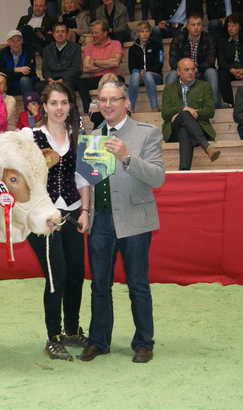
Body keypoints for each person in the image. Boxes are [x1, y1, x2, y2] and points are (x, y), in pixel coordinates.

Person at [77, 81, 165, 364]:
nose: (108, 105)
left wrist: (127, 156)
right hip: (101, 220)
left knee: (138, 284)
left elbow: (157, 177)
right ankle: (99, 340)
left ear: (126, 102)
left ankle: (144, 343)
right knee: (99, 284)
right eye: (103, 100)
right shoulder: (94, 135)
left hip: (135, 220)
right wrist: (85, 211)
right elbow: (89, 179)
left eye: (114, 99)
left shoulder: (147, 133)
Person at [28, 82, 90, 361]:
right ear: (44, 107)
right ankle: (53, 337)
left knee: (76, 272)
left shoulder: (79, 135)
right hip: (44, 218)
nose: (59, 108)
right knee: (57, 276)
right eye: (54, 103)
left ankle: (72, 330)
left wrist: (85, 210)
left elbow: (83, 177)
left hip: (73, 211)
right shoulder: (30, 137)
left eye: (64, 103)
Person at [162, 58, 221, 170]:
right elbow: (165, 113)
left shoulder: (205, 87)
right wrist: (183, 109)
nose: (190, 72)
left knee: (184, 130)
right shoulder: (169, 88)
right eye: (186, 69)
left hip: (199, 127)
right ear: (178, 72)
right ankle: (206, 146)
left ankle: (184, 171)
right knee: (184, 114)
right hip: (173, 128)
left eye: (193, 69)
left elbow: (210, 111)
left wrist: (190, 113)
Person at [166, 13, 222, 109]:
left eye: (199, 24)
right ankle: (169, 106)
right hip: (184, 72)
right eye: (193, 25)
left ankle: (215, 105)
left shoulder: (209, 38)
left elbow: (211, 60)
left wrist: (196, 69)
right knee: (172, 74)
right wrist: (185, 70)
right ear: (187, 26)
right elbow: (172, 60)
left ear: (202, 26)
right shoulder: (178, 38)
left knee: (212, 72)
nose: (196, 27)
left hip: (202, 71)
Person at [77, 20, 124, 113]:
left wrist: (94, 62)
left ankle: (116, 109)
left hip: (112, 77)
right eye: (93, 32)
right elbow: (85, 67)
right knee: (79, 82)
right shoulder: (89, 47)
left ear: (105, 33)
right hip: (96, 78)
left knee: (120, 80)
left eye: (96, 33)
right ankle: (88, 110)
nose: (93, 35)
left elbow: (116, 62)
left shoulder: (116, 44)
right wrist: (107, 64)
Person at [128, 21, 164, 112]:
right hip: (139, 77)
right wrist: (140, 71)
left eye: (147, 31)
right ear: (138, 33)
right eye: (142, 31)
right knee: (134, 75)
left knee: (147, 75)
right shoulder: (132, 49)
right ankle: (130, 108)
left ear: (150, 32)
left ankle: (154, 107)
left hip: (155, 76)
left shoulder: (157, 45)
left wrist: (146, 71)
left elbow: (159, 64)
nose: (144, 34)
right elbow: (131, 67)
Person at [0, 30, 38, 100]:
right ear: (8, 42)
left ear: (22, 41)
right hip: (10, 84)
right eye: (13, 41)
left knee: (24, 80)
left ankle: (29, 109)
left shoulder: (29, 50)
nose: (16, 44)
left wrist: (7, 75)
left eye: (18, 41)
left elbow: (29, 71)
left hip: (27, 82)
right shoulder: (3, 52)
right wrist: (16, 69)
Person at [39, 22, 82, 93]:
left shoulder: (75, 48)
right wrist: (49, 79)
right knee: (38, 86)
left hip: (68, 79)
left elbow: (75, 68)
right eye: (57, 32)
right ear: (53, 34)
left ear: (67, 34)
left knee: (67, 86)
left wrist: (63, 79)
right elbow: (45, 69)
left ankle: (71, 104)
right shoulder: (47, 49)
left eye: (63, 31)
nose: (60, 34)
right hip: (52, 80)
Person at [218, 14, 243, 106]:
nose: (230, 28)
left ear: (239, 26)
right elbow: (221, 61)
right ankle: (229, 103)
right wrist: (231, 69)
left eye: (233, 25)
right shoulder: (222, 41)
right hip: (230, 69)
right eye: (229, 26)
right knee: (222, 73)